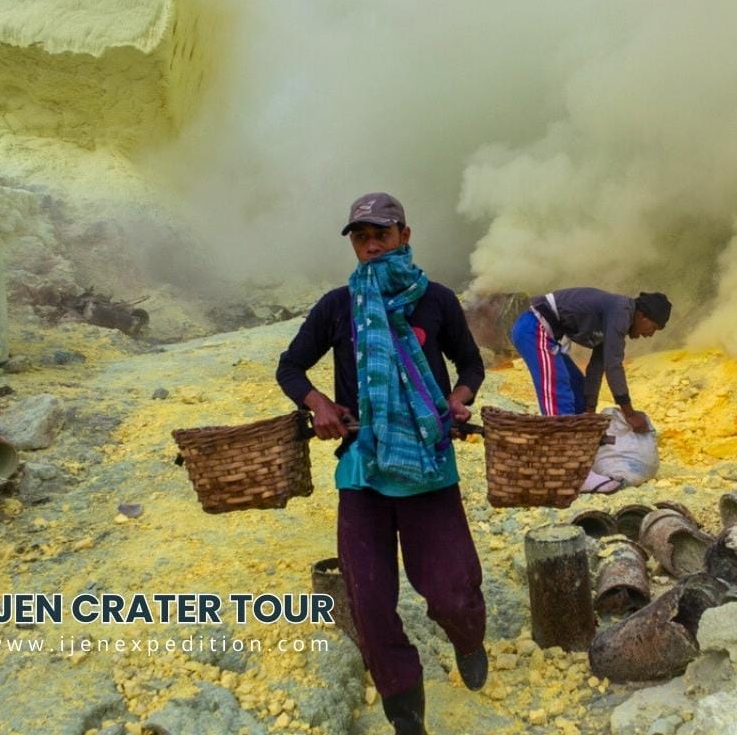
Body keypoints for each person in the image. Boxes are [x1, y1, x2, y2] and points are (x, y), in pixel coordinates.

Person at [276, 193, 488, 735]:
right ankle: (405, 711)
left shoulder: (436, 300)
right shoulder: (336, 307)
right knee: (369, 601)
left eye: (382, 233)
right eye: (360, 235)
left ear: (404, 235)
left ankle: (467, 636)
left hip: (429, 466)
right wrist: (319, 404)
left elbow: (470, 364)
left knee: (450, 590)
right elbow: (291, 367)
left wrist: (459, 397)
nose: (371, 244)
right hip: (364, 471)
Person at [509, 287, 671, 492]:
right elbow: (614, 366)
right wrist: (629, 414)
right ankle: (570, 472)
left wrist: (589, 410)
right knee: (558, 396)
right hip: (535, 328)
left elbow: (598, 366)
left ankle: (578, 461)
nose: (649, 334)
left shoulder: (617, 315)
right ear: (642, 315)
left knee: (577, 390)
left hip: (547, 334)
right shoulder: (621, 311)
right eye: (653, 327)